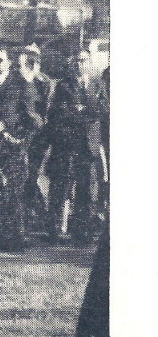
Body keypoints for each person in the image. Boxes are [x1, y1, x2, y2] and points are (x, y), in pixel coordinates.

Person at [0, 44, 42, 252]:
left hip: (11, 149)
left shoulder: (20, 85)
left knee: (12, 194)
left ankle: (15, 239)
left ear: (9, 62)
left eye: (0, 60)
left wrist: (18, 139)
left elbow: (35, 120)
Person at [45, 48, 102, 244]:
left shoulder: (97, 86)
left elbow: (100, 111)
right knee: (61, 188)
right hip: (68, 146)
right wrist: (81, 113)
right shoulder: (63, 86)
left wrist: (80, 110)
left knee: (85, 191)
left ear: (89, 62)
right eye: (77, 61)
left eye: (83, 60)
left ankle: (81, 232)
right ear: (72, 64)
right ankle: (54, 231)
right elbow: (59, 113)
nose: (80, 64)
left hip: (88, 148)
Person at [19, 42, 55, 229]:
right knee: (25, 176)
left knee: (31, 176)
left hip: (38, 138)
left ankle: (31, 216)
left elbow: (48, 112)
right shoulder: (21, 80)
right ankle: (27, 216)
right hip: (24, 136)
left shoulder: (45, 83)